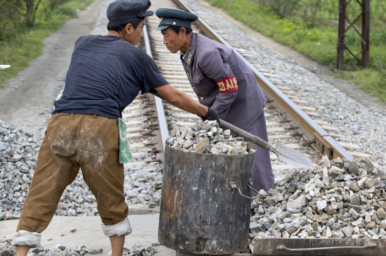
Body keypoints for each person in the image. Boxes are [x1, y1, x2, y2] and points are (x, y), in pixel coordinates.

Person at [11, 0, 218, 255]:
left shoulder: (82, 43)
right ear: (128, 28)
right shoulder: (137, 57)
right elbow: (173, 96)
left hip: (60, 123)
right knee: (110, 193)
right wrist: (206, 112)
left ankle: (20, 252)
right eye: (142, 27)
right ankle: (116, 253)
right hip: (99, 126)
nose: (142, 33)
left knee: (42, 189)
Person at [154, 8, 275, 191]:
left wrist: (211, 116)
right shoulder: (188, 50)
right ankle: (244, 197)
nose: (164, 42)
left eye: (166, 35)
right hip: (227, 105)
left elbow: (229, 89)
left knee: (254, 156)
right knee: (234, 152)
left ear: (182, 32)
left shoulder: (206, 54)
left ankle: (265, 197)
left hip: (244, 106)